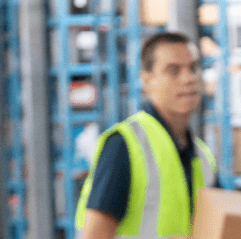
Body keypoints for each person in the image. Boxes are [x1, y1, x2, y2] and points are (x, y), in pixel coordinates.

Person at [74, 32, 217, 239]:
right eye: (173, 71)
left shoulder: (203, 157)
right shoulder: (125, 144)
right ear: (146, 80)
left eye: (193, 68)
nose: (189, 79)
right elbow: (95, 235)